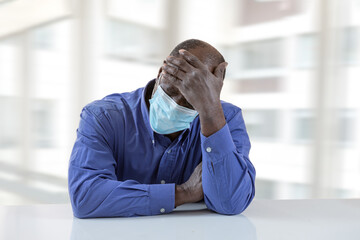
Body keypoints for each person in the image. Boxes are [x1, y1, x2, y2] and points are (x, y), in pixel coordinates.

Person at [68, 39, 256, 218]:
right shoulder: (104, 117)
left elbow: (231, 202)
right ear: (160, 74)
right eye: (172, 91)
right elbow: (86, 197)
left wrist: (210, 112)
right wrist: (183, 193)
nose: (176, 104)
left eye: (191, 100)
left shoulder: (226, 119)